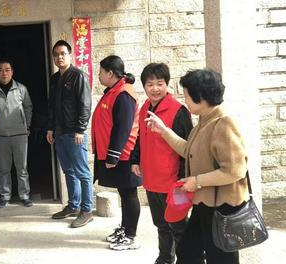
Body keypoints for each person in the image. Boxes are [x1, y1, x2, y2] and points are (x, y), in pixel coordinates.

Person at [145, 69, 248, 264]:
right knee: (187, 251)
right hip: (204, 202)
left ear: (200, 98)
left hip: (222, 206)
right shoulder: (204, 121)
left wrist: (197, 181)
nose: (185, 101)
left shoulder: (224, 123)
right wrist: (164, 131)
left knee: (220, 258)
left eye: (187, 97)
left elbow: (235, 170)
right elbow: (188, 150)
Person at [131, 63, 193, 264]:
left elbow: (187, 148)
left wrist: (184, 178)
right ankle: (165, 258)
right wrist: (134, 159)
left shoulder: (179, 111)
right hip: (151, 178)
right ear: (144, 86)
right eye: (150, 84)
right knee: (161, 224)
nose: (155, 88)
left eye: (160, 83)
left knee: (178, 225)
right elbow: (140, 136)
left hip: (172, 180)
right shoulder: (144, 109)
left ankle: (187, 259)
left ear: (167, 84)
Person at [91, 55, 142, 250]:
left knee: (129, 194)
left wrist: (113, 155)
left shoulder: (124, 93)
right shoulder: (114, 91)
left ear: (110, 73)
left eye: (101, 72)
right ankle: (125, 228)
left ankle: (131, 236)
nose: (99, 75)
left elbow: (123, 128)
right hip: (118, 154)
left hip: (125, 154)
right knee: (124, 192)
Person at [47, 40, 93, 228]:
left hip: (75, 133)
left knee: (82, 172)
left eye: (63, 53)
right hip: (59, 132)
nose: (59, 57)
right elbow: (52, 106)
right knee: (68, 171)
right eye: (56, 54)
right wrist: (50, 128)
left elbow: (85, 105)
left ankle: (87, 209)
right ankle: (73, 205)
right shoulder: (55, 78)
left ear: (70, 55)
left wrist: (80, 129)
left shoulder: (78, 76)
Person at [0, 59, 33, 208]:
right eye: (0, 70)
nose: (4, 73)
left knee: (22, 168)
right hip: (1, 135)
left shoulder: (21, 89)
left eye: (7, 69)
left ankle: (24, 195)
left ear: (12, 72)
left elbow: (28, 107)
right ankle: (5, 196)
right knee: (3, 169)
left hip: (20, 134)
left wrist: (27, 125)